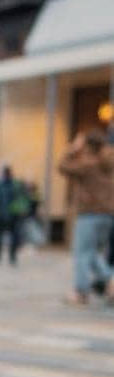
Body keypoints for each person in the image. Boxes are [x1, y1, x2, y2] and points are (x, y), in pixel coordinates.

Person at [57, 129, 114, 305]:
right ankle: (109, 279)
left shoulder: (88, 163)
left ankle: (81, 292)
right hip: (107, 216)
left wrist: (73, 148)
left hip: (89, 214)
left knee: (81, 253)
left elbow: (62, 166)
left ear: (88, 145)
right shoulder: (109, 163)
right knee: (93, 253)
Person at [0, 166, 28, 266]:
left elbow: (21, 200)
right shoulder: (5, 185)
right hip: (6, 216)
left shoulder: (8, 185)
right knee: (1, 238)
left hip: (9, 216)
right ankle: (0, 257)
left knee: (6, 238)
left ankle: (8, 257)